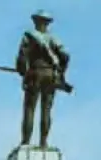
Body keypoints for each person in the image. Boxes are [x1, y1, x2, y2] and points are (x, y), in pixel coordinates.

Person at [16, 10, 70, 148]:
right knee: (46, 110)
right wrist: (61, 72)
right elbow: (65, 56)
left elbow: (22, 57)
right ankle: (43, 142)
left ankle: (26, 142)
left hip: (35, 74)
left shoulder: (28, 36)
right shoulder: (54, 39)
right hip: (51, 76)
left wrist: (23, 72)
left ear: (35, 22)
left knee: (29, 108)